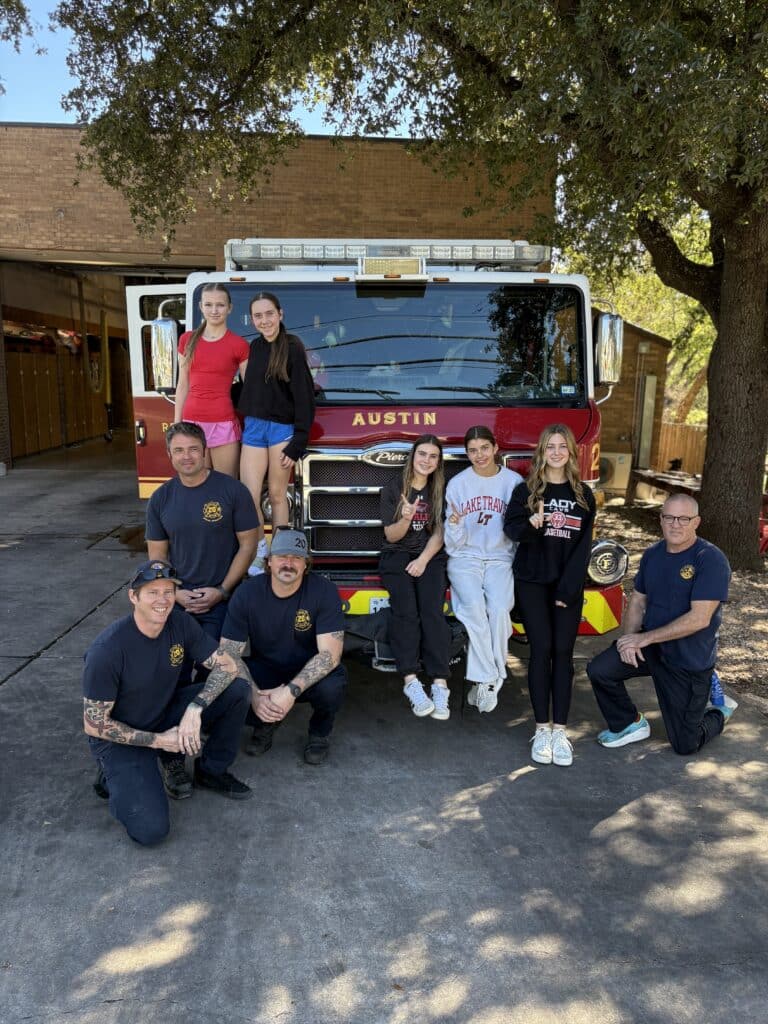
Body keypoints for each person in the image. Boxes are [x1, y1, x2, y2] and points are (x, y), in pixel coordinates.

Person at [82, 560, 252, 847]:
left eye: (168, 591)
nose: (162, 600)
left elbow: (227, 665)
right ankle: (113, 775)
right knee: (151, 831)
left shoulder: (180, 621)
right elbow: (95, 724)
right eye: (152, 592)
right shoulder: (107, 651)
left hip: (163, 710)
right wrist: (160, 741)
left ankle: (211, 771)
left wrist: (196, 707)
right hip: (122, 736)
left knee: (236, 689)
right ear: (133, 597)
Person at [145, 420, 259, 796]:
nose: (187, 456)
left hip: (222, 603)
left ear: (205, 449)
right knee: (168, 680)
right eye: (178, 450)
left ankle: (212, 767)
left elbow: (248, 544)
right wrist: (173, 594)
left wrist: (223, 590)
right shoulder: (162, 499)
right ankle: (173, 760)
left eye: (193, 449)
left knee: (229, 682)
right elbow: (157, 561)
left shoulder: (232, 491)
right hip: (175, 606)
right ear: (170, 455)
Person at [587, 493, 736, 753]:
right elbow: (637, 601)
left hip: (688, 658)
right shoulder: (653, 554)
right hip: (654, 647)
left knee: (685, 745)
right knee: (601, 669)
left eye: (683, 518)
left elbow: (699, 619)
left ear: (696, 522)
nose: (675, 524)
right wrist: (629, 640)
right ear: (661, 519)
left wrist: (643, 639)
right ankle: (630, 723)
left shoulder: (710, 559)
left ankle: (721, 710)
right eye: (669, 517)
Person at [503, 424, 596, 766]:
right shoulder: (525, 491)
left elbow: (582, 548)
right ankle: (541, 729)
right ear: (541, 452)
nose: (556, 452)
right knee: (541, 651)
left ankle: (560, 731)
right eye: (550, 446)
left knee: (563, 654)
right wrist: (532, 524)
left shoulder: (584, 494)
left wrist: (568, 590)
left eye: (562, 446)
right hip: (531, 583)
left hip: (565, 586)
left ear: (571, 452)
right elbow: (511, 530)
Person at [220, 528, 347, 765]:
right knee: (226, 679)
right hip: (267, 668)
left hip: (307, 669)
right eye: (282, 557)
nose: (288, 563)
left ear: (306, 564)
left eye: (296, 558)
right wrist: (256, 696)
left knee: (332, 685)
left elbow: (330, 655)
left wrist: (290, 691)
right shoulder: (247, 593)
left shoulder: (325, 591)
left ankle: (319, 733)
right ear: (269, 562)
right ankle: (264, 723)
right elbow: (228, 653)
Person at [445, 425, 523, 713]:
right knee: (473, 607)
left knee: (501, 609)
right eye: (472, 450)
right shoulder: (458, 485)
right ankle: (492, 677)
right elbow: (453, 546)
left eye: (484, 448)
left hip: (500, 559)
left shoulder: (513, 483)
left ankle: (486, 679)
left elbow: (517, 530)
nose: (479, 455)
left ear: (495, 448)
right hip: (465, 558)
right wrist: (453, 524)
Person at [238, 292, 316, 573]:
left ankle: (281, 553)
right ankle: (261, 551)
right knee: (249, 496)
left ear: (280, 314)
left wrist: (298, 442)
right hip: (254, 428)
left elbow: (305, 397)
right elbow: (250, 390)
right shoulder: (253, 348)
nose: (264, 320)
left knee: (277, 494)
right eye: (258, 316)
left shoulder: (293, 347)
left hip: (282, 429)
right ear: (252, 319)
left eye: (269, 314)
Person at [379, 435, 452, 719]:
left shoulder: (441, 490)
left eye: (433, 456)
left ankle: (440, 684)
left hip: (430, 557)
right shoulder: (393, 489)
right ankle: (411, 681)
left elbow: (439, 533)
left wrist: (423, 560)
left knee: (432, 612)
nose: (427, 460)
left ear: (438, 462)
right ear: (413, 456)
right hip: (395, 555)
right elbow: (390, 535)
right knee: (406, 612)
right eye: (422, 454)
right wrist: (406, 517)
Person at [174, 283, 250, 478]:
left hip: (223, 424)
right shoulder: (187, 340)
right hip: (191, 424)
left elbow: (251, 388)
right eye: (208, 305)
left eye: (220, 305)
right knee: (195, 485)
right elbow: (183, 385)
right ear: (200, 307)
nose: (214, 310)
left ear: (229, 308)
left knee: (226, 486)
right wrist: (176, 425)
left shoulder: (239, 345)